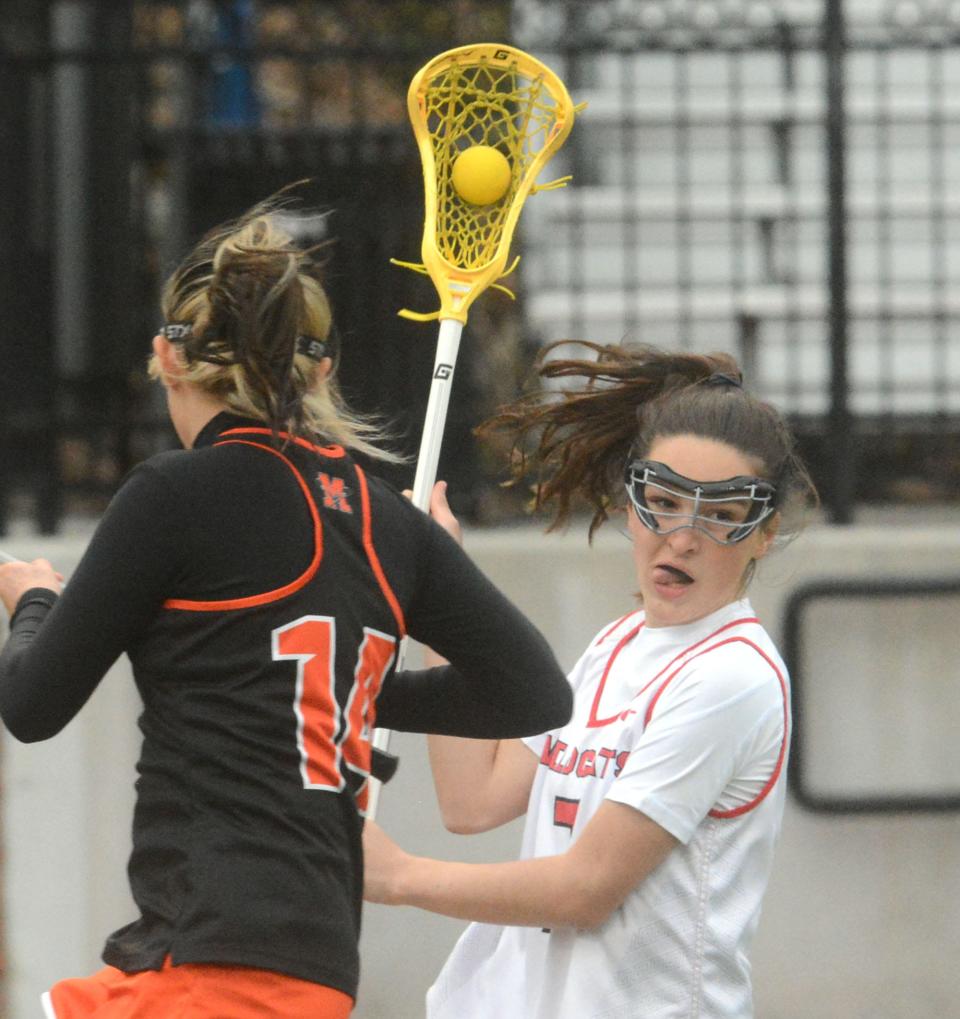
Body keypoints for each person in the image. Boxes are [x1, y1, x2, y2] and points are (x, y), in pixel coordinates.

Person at [0, 195, 572, 1019]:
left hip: (207, 965)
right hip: (308, 967)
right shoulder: (386, 518)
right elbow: (534, 692)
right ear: (321, 370)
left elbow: (30, 703)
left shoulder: (174, 495)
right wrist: (344, 693)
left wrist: (35, 604)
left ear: (166, 356)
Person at [362, 341, 818, 1019]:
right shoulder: (615, 646)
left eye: (720, 515)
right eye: (663, 500)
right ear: (631, 504)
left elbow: (586, 889)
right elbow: (474, 798)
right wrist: (436, 593)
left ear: (763, 533)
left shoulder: (734, 677)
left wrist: (399, 877)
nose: (683, 536)